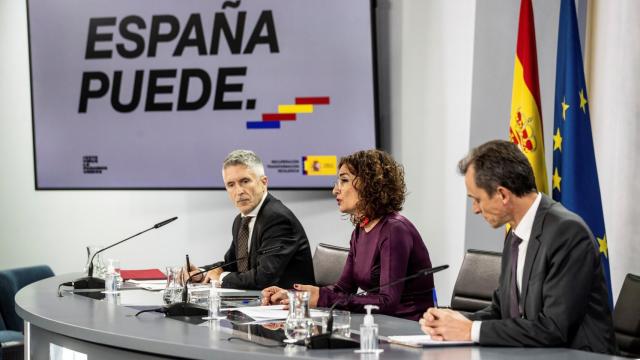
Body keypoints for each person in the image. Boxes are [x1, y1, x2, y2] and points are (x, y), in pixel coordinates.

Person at [420, 140, 615, 354]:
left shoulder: (567, 233)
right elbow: (501, 310)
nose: (475, 209)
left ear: (503, 194)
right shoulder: (516, 233)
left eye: (477, 199)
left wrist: (470, 330)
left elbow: (553, 328)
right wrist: (452, 321)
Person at [262, 149, 434, 321]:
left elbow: (388, 302)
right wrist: (294, 294)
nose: (335, 190)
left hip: (409, 327)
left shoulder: (394, 229)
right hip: (380, 323)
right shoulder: (360, 231)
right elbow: (343, 289)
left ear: (370, 184)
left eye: (344, 180)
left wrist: (322, 298)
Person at [186, 150, 315, 289]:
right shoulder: (241, 220)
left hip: (290, 305)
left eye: (245, 181)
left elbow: (264, 278)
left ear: (264, 182)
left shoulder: (277, 218)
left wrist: (221, 277)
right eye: (231, 185)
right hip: (260, 303)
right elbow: (232, 264)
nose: (239, 191)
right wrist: (200, 273)